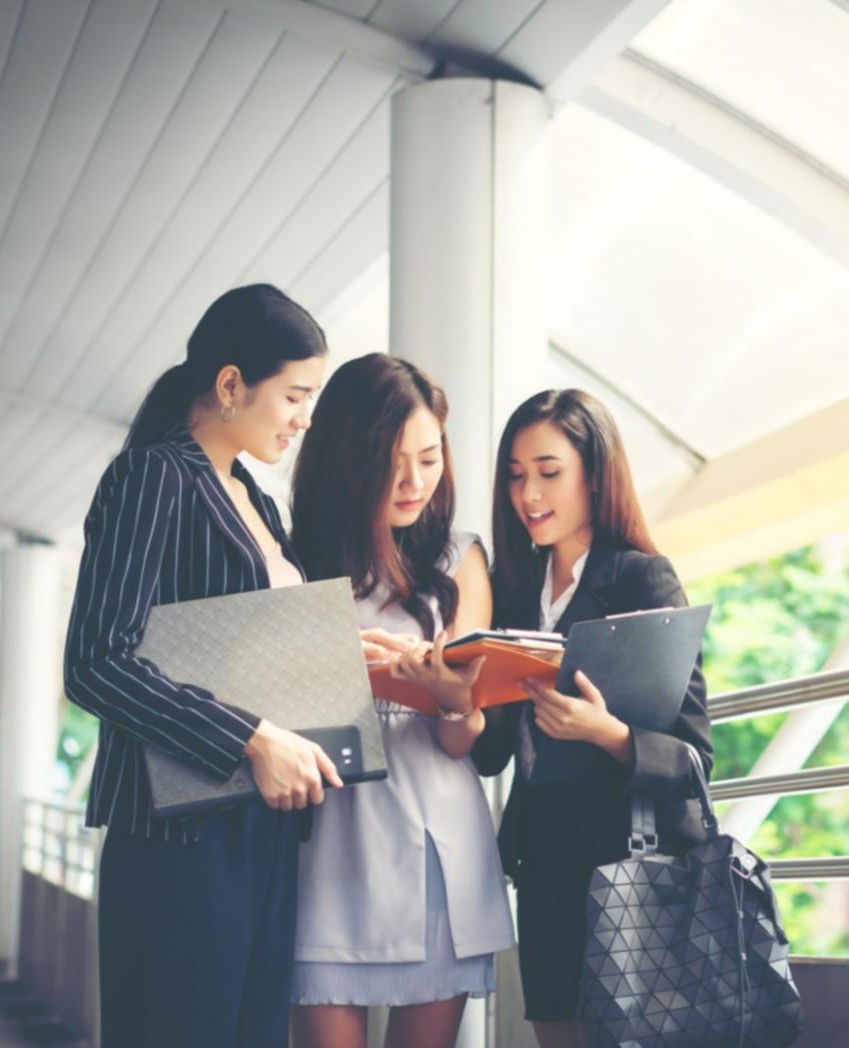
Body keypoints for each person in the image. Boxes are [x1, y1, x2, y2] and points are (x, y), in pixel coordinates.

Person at [63, 285, 412, 1048]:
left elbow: (234, 645)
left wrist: (329, 654)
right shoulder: (153, 477)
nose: (305, 418)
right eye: (295, 394)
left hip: (262, 830)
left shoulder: (257, 499)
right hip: (179, 841)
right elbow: (96, 661)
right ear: (230, 385)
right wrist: (252, 739)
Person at [470, 390, 713, 1048]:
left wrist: (602, 732)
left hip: (624, 862)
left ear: (595, 475)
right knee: (556, 1031)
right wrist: (454, 693)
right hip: (544, 860)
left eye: (549, 472)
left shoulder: (640, 580)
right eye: (516, 475)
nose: (529, 493)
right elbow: (491, 753)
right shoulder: (512, 589)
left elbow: (694, 753)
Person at [287, 355, 515, 1048]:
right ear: (347, 462)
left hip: (435, 840)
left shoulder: (458, 559)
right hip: (328, 838)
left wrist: (446, 699)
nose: (415, 482)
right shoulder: (292, 562)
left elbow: (460, 741)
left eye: (429, 457)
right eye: (393, 462)